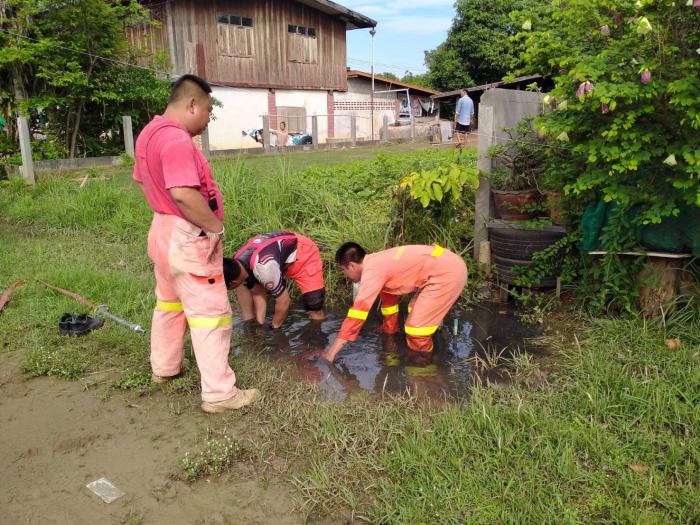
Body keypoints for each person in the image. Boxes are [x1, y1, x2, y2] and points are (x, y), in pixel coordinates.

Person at [132, 74, 260, 414]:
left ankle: (165, 367)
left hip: (162, 230)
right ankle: (220, 395)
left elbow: (147, 182)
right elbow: (184, 192)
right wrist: (214, 228)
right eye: (206, 110)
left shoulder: (148, 134)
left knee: (169, 305)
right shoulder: (175, 140)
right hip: (187, 235)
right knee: (210, 314)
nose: (207, 119)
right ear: (191, 104)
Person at [321, 242, 467, 363]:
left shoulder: (372, 271)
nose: (344, 275)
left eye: (343, 270)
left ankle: (424, 369)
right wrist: (389, 331)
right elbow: (389, 300)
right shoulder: (376, 262)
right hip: (446, 266)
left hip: (448, 273)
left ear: (352, 265)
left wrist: (332, 351)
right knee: (414, 313)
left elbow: (358, 312)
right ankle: (432, 347)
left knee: (416, 329)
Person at [223, 231, 326, 328]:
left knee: (315, 307)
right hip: (275, 252)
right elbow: (258, 293)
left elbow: (284, 301)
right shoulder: (237, 260)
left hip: (304, 253)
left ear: (233, 283)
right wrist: (260, 326)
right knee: (245, 283)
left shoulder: (264, 270)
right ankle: (251, 325)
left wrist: (274, 328)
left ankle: (315, 339)